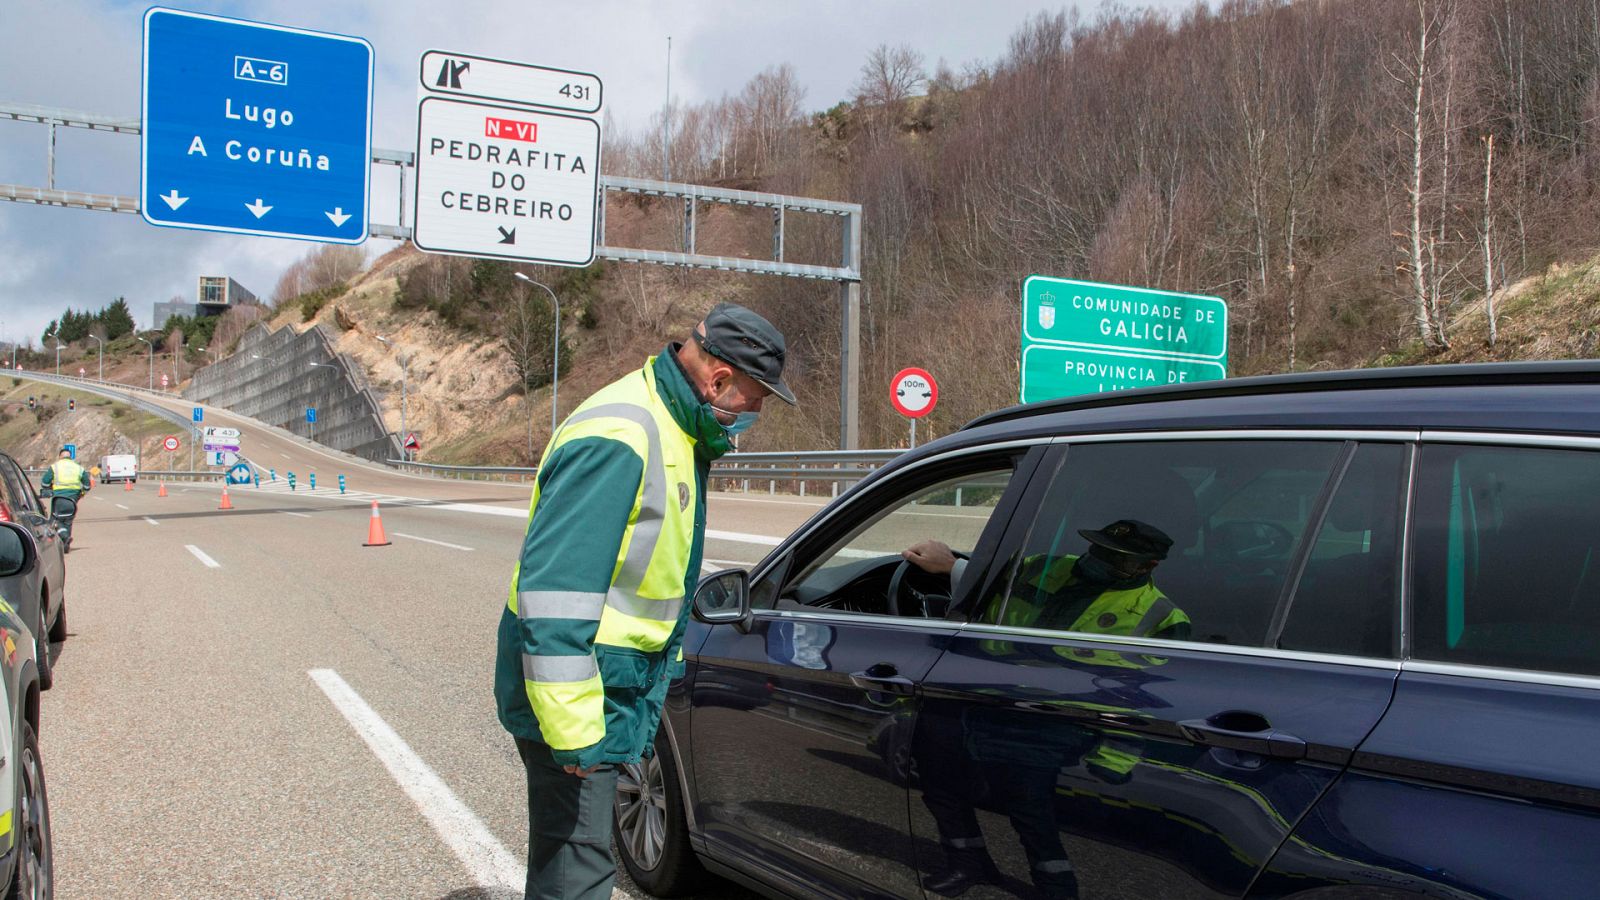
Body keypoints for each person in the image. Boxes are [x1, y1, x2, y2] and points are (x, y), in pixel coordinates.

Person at [495, 302, 794, 900]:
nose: (755, 414)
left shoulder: (673, 426)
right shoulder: (623, 434)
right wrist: (575, 730)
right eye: (755, 400)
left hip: (609, 684)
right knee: (576, 870)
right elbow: (555, 596)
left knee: (573, 857)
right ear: (718, 380)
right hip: (579, 696)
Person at [904, 519, 1188, 898]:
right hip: (980, 696)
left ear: (1148, 566)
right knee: (939, 780)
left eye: (1115, 558)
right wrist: (954, 564)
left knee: (1030, 810)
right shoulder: (1041, 566)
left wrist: (1114, 760)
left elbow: (1144, 698)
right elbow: (983, 589)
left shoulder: (1162, 619)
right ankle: (968, 863)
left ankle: (1056, 888)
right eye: (1098, 548)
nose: (1097, 559)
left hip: (1052, 720)